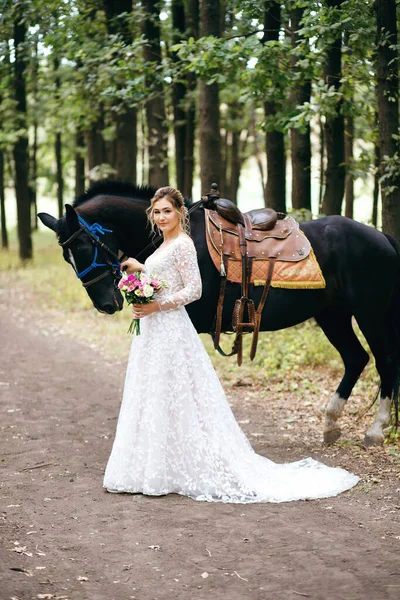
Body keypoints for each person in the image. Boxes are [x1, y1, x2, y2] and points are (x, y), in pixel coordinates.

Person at [103, 186, 359, 503]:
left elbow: (193, 290)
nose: (161, 217)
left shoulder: (182, 244)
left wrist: (155, 305)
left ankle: (173, 466)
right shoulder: (162, 245)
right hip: (155, 331)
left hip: (168, 324)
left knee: (178, 393)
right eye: (156, 212)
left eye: (167, 211)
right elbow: (165, 277)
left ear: (180, 212)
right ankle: (157, 465)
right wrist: (140, 271)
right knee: (155, 392)